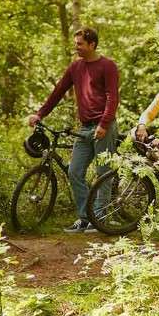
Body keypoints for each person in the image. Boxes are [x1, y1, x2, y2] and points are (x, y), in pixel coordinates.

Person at [26, 27, 120, 233]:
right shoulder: (75, 67)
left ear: (92, 44)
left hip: (103, 127)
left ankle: (101, 218)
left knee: (104, 173)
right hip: (84, 128)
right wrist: (39, 114)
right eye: (76, 43)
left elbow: (113, 97)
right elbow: (58, 91)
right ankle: (86, 218)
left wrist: (104, 124)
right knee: (74, 171)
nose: (76, 47)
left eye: (80, 44)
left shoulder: (108, 66)